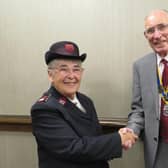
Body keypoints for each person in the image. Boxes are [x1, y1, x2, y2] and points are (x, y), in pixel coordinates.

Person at [31, 41, 136, 168]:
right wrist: (118, 139)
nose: (71, 76)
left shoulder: (86, 101)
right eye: (64, 69)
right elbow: (73, 148)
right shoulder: (44, 108)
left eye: (76, 69)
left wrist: (121, 136)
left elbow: (94, 141)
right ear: (50, 75)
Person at [122, 9, 168, 168]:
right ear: (146, 36)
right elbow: (138, 109)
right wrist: (131, 130)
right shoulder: (140, 66)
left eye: (162, 27)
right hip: (159, 149)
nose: (156, 35)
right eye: (150, 31)